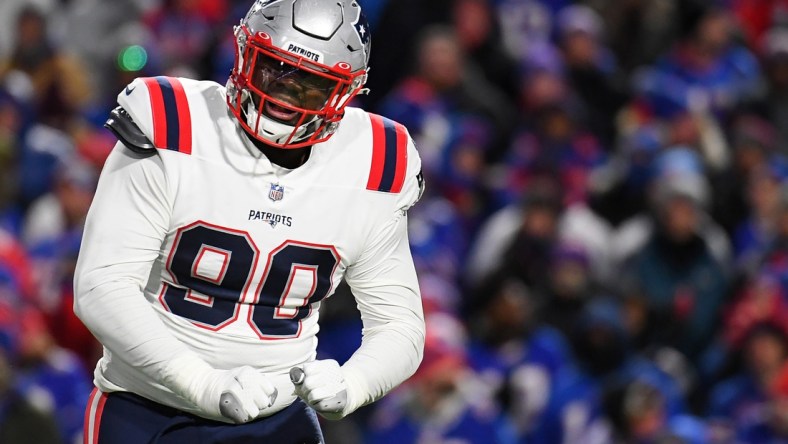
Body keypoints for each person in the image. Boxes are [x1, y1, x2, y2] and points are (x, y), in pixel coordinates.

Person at [73, 0, 426, 442]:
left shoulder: (373, 161)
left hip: (277, 419)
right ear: (243, 53)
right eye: (272, 70)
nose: (282, 98)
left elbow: (400, 326)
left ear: (344, 92)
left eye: (311, 86)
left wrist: (355, 382)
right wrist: (203, 383)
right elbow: (100, 286)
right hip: (147, 409)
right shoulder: (174, 122)